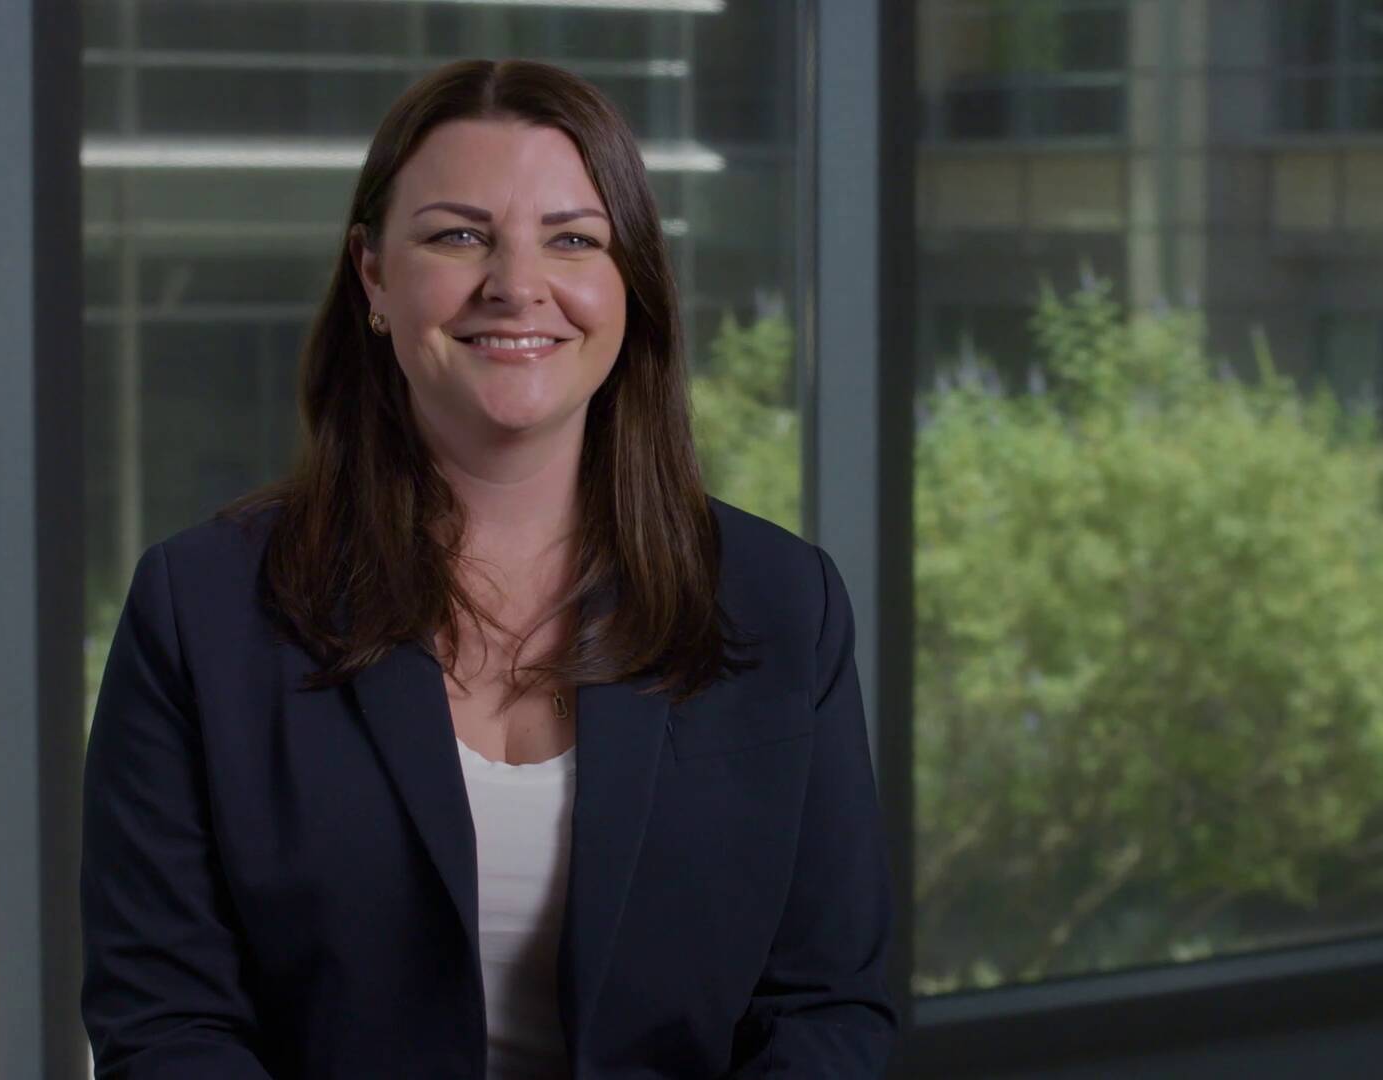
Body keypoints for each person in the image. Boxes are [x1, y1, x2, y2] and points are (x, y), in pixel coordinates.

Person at [79, 58, 898, 1078]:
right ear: (373, 276)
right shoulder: (199, 611)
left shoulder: (783, 604)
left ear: (629, 286)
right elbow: (166, 1026)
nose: (517, 285)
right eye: (458, 234)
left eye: (573, 240)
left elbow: (826, 1010)